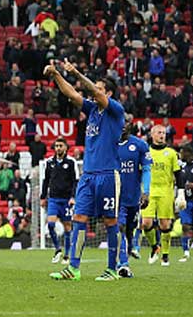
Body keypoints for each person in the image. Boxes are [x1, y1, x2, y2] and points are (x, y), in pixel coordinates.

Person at [46, 59, 124, 282]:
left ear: (107, 93)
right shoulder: (92, 110)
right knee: (79, 218)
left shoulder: (115, 110)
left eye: (99, 89)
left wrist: (77, 73)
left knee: (110, 221)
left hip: (108, 174)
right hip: (88, 175)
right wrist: (56, 75)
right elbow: (72, 94)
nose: (94, 92)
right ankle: (73, 268)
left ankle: (112, 268)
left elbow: (90, 91)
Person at [142, 124, 185, 268]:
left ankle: (165, 255)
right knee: (146, 223)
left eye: (163, 133)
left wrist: (181, 193)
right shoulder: (145, 152)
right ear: (152, 135)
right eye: (159, 132)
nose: (162, 135)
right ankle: (155, 246)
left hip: (166, 191)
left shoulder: (171, 153)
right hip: (149, 192)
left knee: (165, 225)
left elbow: (179, 174)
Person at [114, 123, 151, 278]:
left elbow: (147, 169)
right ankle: (123, 264)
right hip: (116, 197)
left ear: (130, 126)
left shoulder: (140, 145)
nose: (122, 126)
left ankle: (126, 254)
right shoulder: (109, 144)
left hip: (133, 197)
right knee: (120, 227)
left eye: (125, 123)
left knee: (130, 230)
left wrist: (146, 192)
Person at [40, 137, 79, 266]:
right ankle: (57, 249)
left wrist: (73, 197)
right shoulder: (49, 162)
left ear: (66, 148)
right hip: (53, 199)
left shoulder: (71, 162)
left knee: (68, 226)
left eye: (60, 146)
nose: (58, 148)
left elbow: (75, 181)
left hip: (67, 199)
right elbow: (46, 181)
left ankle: (67, 254)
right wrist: (42, 196)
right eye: (56, 146)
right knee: (51, 224)